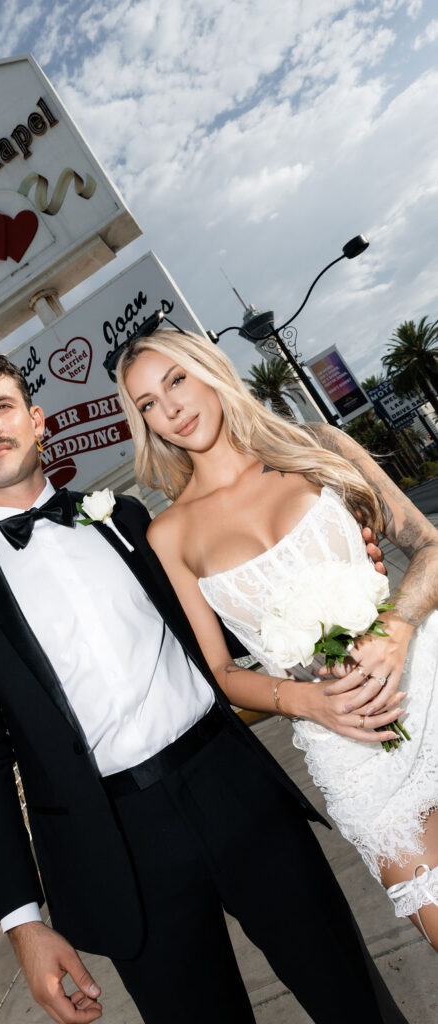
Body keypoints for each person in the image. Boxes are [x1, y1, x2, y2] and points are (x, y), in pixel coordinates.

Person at [0, 349, 408, 1024]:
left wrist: (340, 581)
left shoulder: (123, 518)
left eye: (1, 407)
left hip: (233, 786)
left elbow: (233, 627)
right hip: (113, 846)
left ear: (36, 421)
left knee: (351, 999)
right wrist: (22, 920)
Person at [116, 324, 438, 951]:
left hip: (425, 674)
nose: (171, 409)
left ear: (209, 370)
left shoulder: (318, 446)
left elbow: (428, 545)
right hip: (346, 742)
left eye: (176, 380)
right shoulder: (171, 534)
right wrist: (306, 703)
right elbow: (221, 673)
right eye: (148, 403)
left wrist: (396, 628)